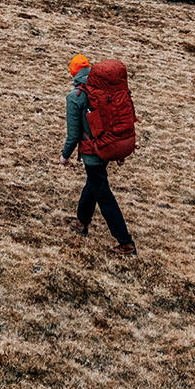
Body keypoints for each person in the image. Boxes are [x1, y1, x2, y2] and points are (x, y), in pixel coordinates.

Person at [61, 54, 135, 255]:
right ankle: (81, 222)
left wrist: (65, 155)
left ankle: (125, 242)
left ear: (73, 73)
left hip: (93, 151)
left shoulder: (74, 97)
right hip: (110, 145)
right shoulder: (104, 89)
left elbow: (73, 133)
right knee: (94, 183)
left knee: (102, 192)